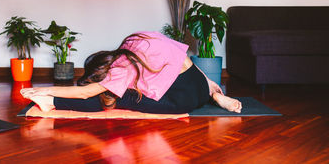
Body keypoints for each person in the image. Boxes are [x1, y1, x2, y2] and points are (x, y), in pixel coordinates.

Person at [21, 31, 242, 114]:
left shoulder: (120, 70)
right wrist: (208, 81)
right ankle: (216, 96)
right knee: (126, 88)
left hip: (182, 101)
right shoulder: (138, 38)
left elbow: (85, 93)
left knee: (110, 98)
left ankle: (51, 102)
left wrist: (42, 89)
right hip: (199, 85)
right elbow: (183, 58)